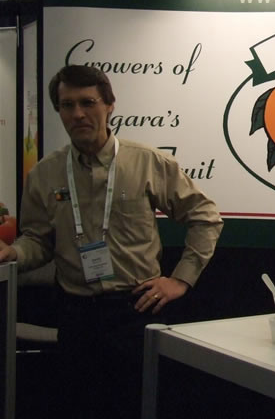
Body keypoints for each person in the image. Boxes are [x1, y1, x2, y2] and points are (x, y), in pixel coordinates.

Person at [0, 65, 224, 419]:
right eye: (67, 105)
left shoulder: (147, 162)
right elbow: (38, 242)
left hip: (134, 310)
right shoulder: (44, 173)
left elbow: (205, 217)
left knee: (134, 406)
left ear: (109, 105)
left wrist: (181, 279)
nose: (78, 113)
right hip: (74, 312)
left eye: (88, 102)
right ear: (59, 111)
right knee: (77, 407)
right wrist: (13, 252)